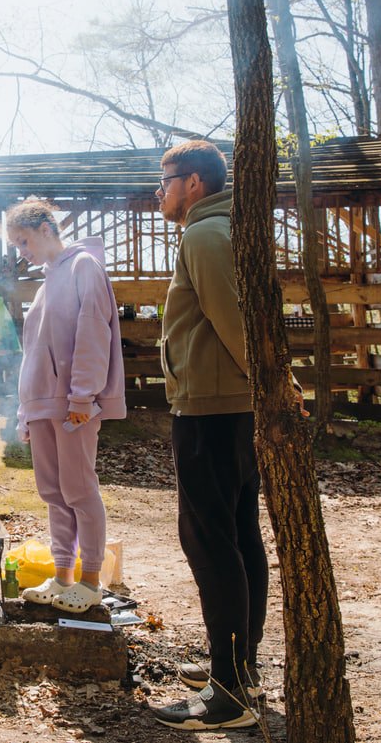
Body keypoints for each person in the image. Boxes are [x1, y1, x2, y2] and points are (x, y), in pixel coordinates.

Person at [149, 141, 269, 729]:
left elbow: (234, 321)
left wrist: (272, 393)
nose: (159, 190)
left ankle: (230, 696)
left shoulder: (204, 235)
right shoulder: (217, 229)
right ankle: (237, 669)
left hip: (212, 412)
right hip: (224, 408)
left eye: (165, 179)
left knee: (209, 542)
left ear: (193, 183)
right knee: (237, 536)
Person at [5, 200, 126, 614]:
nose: (21, 250)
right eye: (15, 244)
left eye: (23, 240)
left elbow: (94, 331)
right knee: (54, 494)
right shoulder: (44, 284)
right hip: (42, 406)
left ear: (44, 228)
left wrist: (82, 396)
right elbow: (34, 352)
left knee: (79, 490)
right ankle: (62, 578)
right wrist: (26, 411)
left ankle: (91, 582)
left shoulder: (83, 267)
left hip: (72, 404)